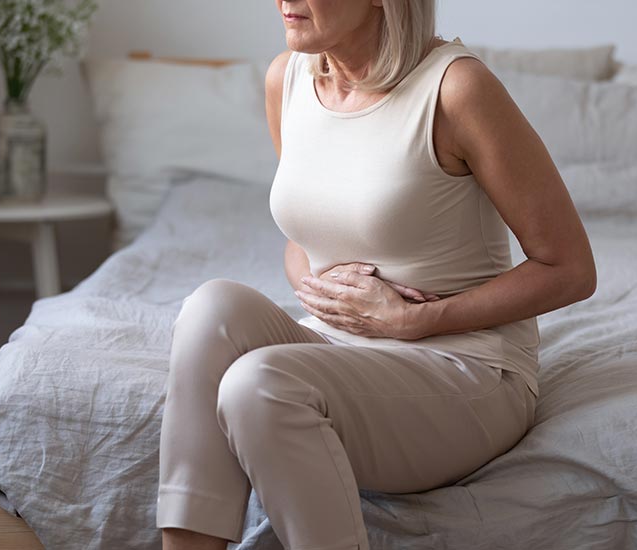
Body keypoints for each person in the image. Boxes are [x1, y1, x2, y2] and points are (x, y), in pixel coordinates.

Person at [158, 1, 596, 549]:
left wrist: (419, 318)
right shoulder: (286, 79)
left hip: (464, 367)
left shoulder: (457, 89)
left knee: (259, 383)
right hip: (336, 347)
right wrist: (322, 289)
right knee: (210, 308)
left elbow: (570, 269)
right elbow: (306, 233)